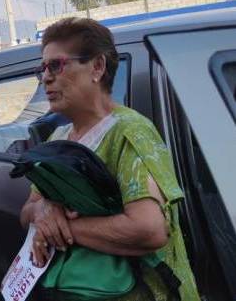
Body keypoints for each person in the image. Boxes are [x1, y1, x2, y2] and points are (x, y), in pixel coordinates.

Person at [19, 18, 200, 300]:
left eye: (56, 65)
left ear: (98, 67)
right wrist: (43, 209)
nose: (46, 77)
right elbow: (28, 210)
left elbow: (148, 230)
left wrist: (64, 229)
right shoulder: (59, 138)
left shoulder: (129, 132)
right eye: (42, 68)